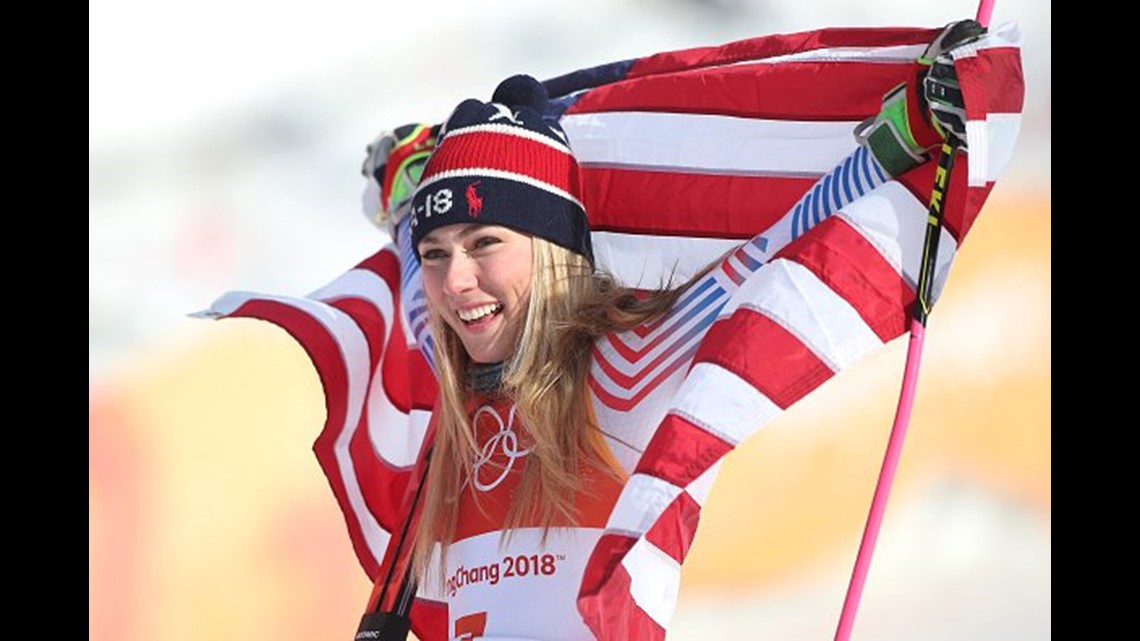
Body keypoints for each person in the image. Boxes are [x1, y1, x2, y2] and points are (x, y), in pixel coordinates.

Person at [289, 19, 997, 641]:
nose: (456, 282)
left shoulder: (620, 373)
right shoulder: (447, 363)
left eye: (486, 243)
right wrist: (404, 188)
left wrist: (906, 134)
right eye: (439, 251)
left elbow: (763, 258)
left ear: (552, 250)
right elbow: (418, 283)